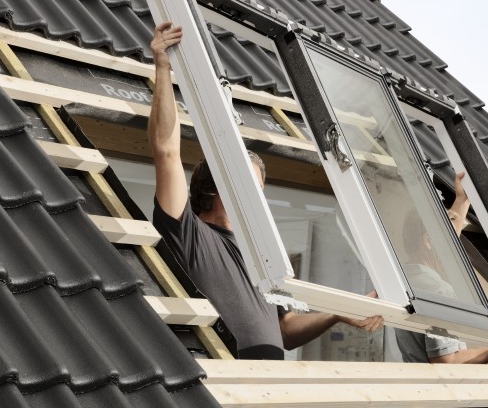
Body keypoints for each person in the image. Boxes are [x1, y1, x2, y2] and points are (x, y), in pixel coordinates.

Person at [148, 21, 383, 359]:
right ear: (216, 188)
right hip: (221, 387)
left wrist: (337, 313)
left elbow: (285, 331)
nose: (259, 198)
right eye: (250, 186)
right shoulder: (188, 232)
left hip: (266, 392)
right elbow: (166, 152)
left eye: (261, 188)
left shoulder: (265, 255)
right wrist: (162, 66)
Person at [395, 171, 488, 364]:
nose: (452, 246)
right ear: (428, 241)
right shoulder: (438, 291)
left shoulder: (405, 276)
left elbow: (445, 244)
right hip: (439, 390)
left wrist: (463, 199)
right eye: (446, 238)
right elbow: (447, 361)